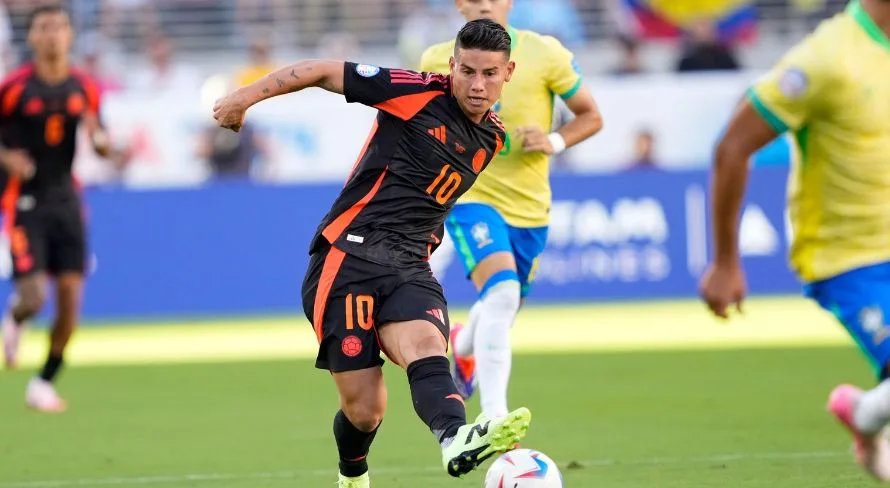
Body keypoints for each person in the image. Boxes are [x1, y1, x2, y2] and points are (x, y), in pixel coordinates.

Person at [213, 19, 531, 488]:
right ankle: (352, 477)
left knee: (427, 346)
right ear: (452, 66)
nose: (477, 85)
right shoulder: (416, 92)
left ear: (508, 73)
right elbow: (322, 71)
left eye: (489, 74)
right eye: (467, 71)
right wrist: (244, 98)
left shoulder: (493, 139)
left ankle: (454, 438)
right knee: (365, 410)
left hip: (410, 265)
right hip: (348, 258)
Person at [699, 0, 890, 481]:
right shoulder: (825, 59)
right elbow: (732, 147)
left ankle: (865, 413)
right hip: (851, 261)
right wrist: (725, 261)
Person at [419, 0, 603, 419]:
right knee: (502, 295)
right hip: (470, 195)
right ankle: (494, 418)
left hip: (530, 206)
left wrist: (553, 140)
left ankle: (463, 344)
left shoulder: (545, 53)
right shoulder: (436, 60)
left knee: (503, 304)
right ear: (460, 4)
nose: (485, 3)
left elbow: (591, 116)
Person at [0, 4, 125, 412]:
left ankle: (43, 382)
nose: (52, 34)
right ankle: (16, 317)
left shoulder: (83, 86)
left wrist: (103, 143)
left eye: (59, 27)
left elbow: (98, 132)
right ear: (32, 37)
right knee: (34, 297)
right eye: (44, 28)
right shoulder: (14, 87)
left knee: (70, 301)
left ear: (69, 35)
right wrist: (7, 158)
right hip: (24, 200)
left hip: (67, 199)